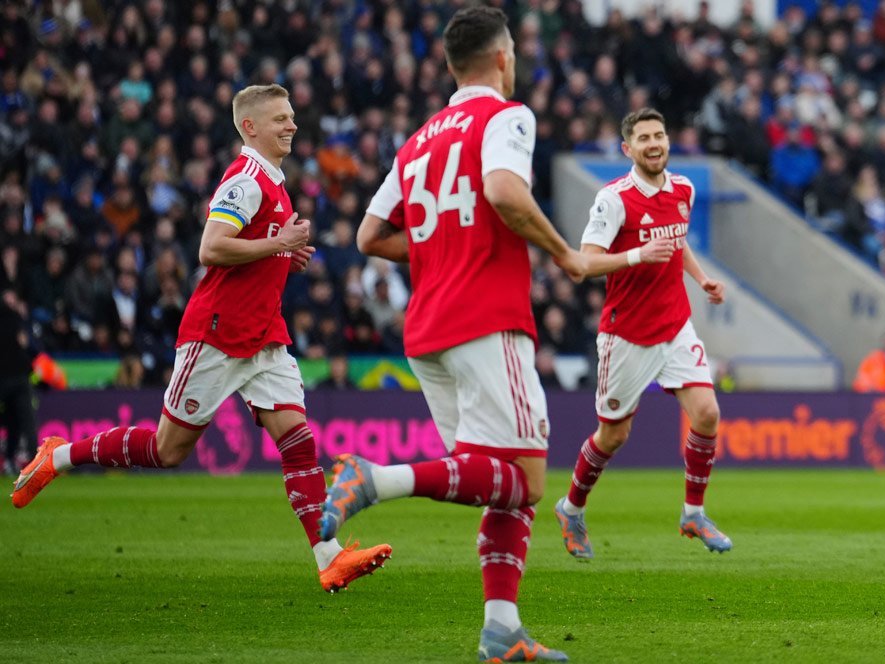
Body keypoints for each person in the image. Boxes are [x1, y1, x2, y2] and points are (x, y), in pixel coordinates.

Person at [319, 8, 671, 662]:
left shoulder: (418, 139)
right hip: (485, 318)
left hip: (427, 325)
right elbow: (505, 191)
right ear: (503, 58)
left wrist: (435, 251)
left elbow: (369, 235)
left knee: (487, 477)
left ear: (452, 65)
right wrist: (564, 251)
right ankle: (373, 479)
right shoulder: (507, 116)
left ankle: (501, 629)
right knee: (529, 481)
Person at [11, 84, 390, 594]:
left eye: (293, 116)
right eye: (280, 118)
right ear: (249, 127)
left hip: (263, 336)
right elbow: (211, 248)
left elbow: (251, 247)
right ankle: (57, 455)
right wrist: (277, 242)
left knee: (298, 440)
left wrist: (281, 254)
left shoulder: (276, 182)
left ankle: (329, 557)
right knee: (168, 451)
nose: (292, 125)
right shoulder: (246, 179)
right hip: (217, 334)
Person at [552, 108, 733, 563]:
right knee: (613, 437)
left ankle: (693, 512)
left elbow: (676, 240)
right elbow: (584, 262)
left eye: (659, 134)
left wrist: (701, 278)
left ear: (668, 140)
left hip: (674, 325)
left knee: (707, 413)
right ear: (627, 149)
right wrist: (635, 256)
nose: (654, 143)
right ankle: (571, 508)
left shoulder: (684, 189)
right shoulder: (613, 200)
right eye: (644, 138)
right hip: (627, 335)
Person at [0, 289, 37, 476]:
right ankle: (35, 463)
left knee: (15, 421)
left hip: (8, 377)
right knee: (25, 422)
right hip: (18, 376)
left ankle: (10, 460)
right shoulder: (16, 318)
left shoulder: (14, 317)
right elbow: (26, 344)